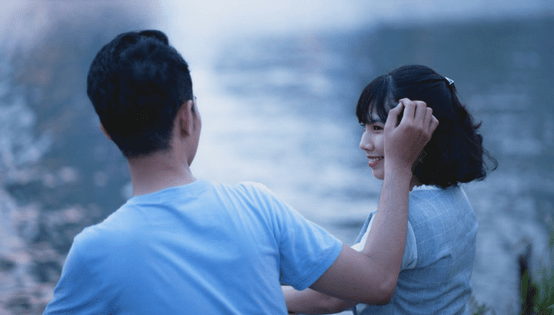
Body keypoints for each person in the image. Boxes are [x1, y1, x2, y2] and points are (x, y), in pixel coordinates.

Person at [42, 31, 438, 314]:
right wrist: (401, 164)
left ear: (107, 132)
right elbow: (377, 282)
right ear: (187, 117)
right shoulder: (254, 206)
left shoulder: (94, 253)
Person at [284, 65, 497, 314]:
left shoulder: (404, 222)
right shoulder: (455, 198)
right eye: (364, 127)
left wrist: (255, 295)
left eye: (378, 128)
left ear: (418, 133)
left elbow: (332, 297)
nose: (363, 143)